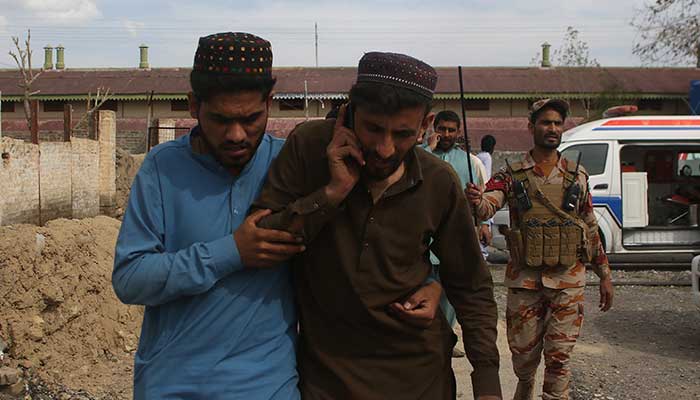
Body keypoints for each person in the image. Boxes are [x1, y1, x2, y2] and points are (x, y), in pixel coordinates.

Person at [111, 32, 443, 400]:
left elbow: (361, 249)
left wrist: (431, 280)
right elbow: (130, 279)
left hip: (268, 386)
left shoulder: (298, 165)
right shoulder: (162, 168)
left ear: (270, 102)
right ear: (193, 105)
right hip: (171, 385)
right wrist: (231, 252)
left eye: (252, 118)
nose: (236, 135)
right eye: (220, 120)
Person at [253, 52, 502, 400]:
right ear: (351, 112)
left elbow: (471, 284)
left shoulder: (438, 181)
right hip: (327, 378)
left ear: (424, 124)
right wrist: (332, 192)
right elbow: (262, 240)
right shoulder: (309, 148)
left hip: (420, 376)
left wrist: (487, 385)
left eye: (402, 134)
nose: (385, 149)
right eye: (373, 129)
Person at [466, 98, 614, 400]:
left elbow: (589, 226)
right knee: (523, 355)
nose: (553, 128)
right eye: (546, 122)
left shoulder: (577, 174)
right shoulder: (511, 174)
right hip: (526, 281)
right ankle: (524, 383)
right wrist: (477, 201)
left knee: (559, 356)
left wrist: (605, 275)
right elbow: (487, 207)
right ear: (531, 126)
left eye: (558, 123)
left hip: (568, 280)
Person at [422, 110, 491, 357]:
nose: (446, 134)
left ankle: (445, 340)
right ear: (434, 128)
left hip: (455, 241)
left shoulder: (472, 163)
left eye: (451, 130)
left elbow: (483, 200)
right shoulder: (419, 155)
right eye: (442, 129)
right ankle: (426, 341)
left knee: (450, 298)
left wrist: (485, 223)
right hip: (422, 243)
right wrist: (428, 149)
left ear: (459, 132)